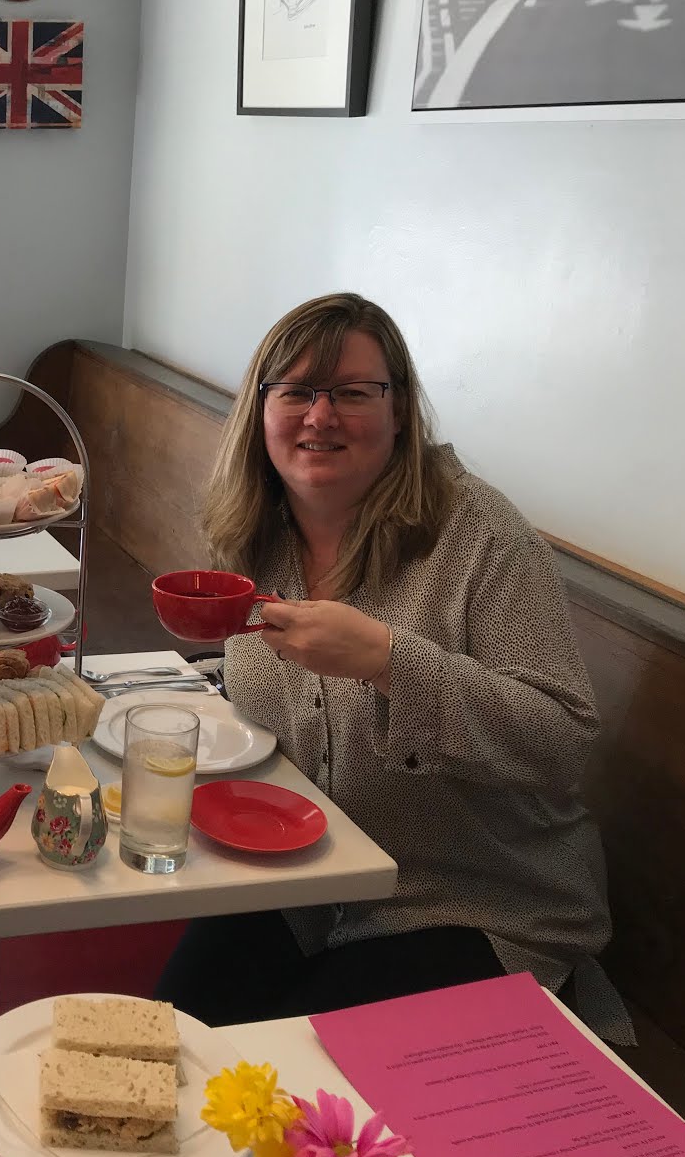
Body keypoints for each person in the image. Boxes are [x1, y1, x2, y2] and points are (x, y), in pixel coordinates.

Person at [154, 293, 630, 1042]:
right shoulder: (255, 536)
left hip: (469, 902)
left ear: (400, 409)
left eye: (352, 393)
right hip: (304, 881)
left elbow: (561, 742)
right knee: (168, 1038)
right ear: (261, 408)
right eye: (297, 391)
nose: (320, 417)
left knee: (284, 1075)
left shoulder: (480, 538)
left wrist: (388, 662)